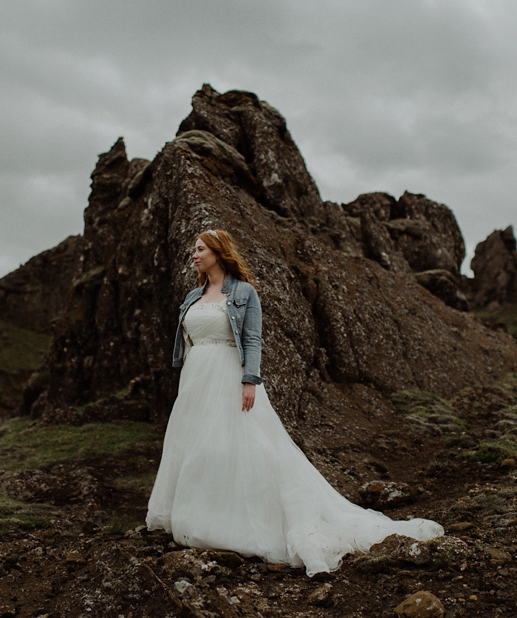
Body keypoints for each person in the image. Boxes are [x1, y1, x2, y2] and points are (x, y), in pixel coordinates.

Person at [145, 229, 443, 576]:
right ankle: (194, 514)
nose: (194, 255)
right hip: (196, 379)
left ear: (218, 252)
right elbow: (189, 343)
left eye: (200, 249)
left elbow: (252, 339)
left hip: (228, 376)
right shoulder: (193, 295)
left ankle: (240, 521)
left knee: (239, 447)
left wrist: (249, 381)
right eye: (194, 249)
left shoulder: (244, 293)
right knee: (195, 447)